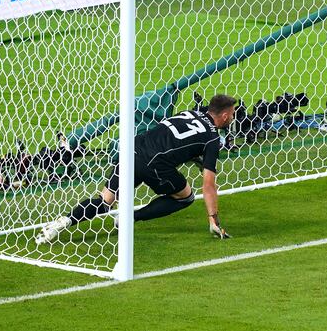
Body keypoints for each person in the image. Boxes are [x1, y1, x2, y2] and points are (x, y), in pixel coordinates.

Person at [35, 94, 238, 245]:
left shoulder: (189, 112)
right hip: (155, 164)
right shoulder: (212, 139)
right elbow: (208, 185)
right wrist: (213, 219)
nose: (233, 118)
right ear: (225, 115)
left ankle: (60, 224)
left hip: (133, 148)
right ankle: (129, 219)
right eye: (233, 115)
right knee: (185, 197)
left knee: (105, 200)